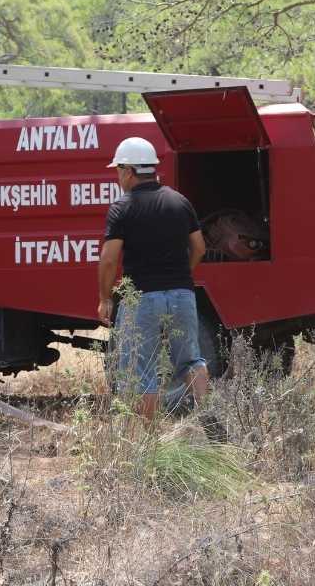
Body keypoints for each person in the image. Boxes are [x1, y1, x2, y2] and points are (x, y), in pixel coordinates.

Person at [97, 137, 209, 422]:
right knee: (191, 360)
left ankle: (147, 439)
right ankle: (208, 414)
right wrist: (182, 275)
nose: (118, 177)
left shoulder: (123, 207)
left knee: (141, 371)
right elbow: (199, 248)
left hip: (143, 298)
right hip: (182, 295)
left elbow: (109, 259)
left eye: (118, 170)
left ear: (128, 171)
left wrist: (105, 298)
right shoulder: (179, 201)